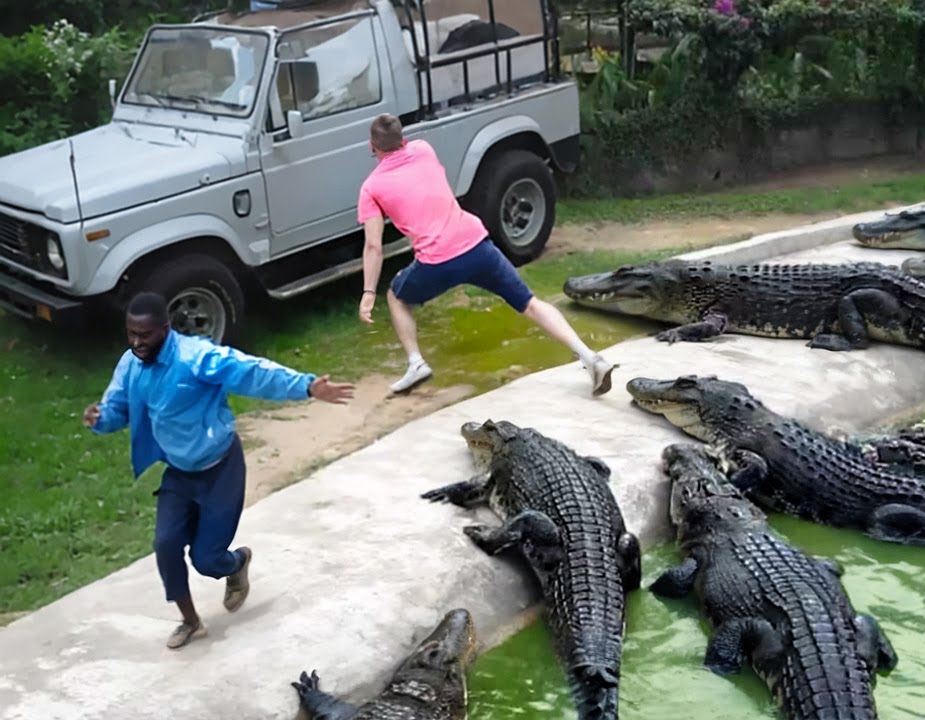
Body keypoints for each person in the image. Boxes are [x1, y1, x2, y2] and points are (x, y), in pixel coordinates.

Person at [82, 292, 356, 650]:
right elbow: (118, 407)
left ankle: (237, 563)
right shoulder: (130, 364)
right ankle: (190, 621)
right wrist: (101, 420)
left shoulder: (196, 358)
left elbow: (252, 372)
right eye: (131, 333)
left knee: (207, 560)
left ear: (165, 329)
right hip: (179, 474)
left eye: (144, 335)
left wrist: (306, 386)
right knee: (164, 545)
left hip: (219, 470)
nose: (136, 342)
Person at [355, 112, 618, 396]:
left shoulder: (371, 187)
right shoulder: (423, 149)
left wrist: (369, 292)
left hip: (437, 262)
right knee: (530, 303)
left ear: (371, 146)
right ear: (403, 139)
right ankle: (590, 357)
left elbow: (373, 246)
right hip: (477, 245)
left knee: (397, 295)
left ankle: (416, 363)